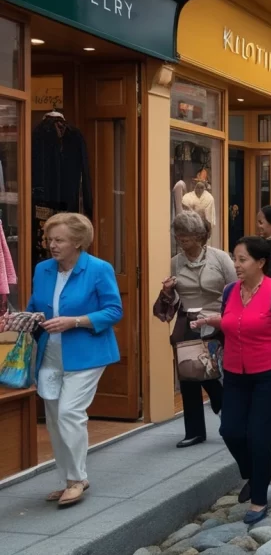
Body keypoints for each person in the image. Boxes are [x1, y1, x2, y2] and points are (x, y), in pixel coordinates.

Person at [191, 236, 271, 525]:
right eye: (234, 258)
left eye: (242, 260)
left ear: (260, 262)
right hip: (236, 373)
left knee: (258, 436)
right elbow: (233, 321)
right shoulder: (230, 291)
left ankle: (258, 499)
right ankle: (254, 475)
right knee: (230, 430)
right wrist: (210, 320)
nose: (236, 265)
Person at [28, 213, 122, 507]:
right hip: (49, 354)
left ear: (78, 242)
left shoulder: (98, 269)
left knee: (69, 412)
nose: (51, 245)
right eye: (49, 239)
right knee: (54, 420)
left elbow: (113, 311)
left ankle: (78, 478)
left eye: (59, 240)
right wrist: (26, 317)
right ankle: (67, 478)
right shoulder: (43, 269)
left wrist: (76, 321)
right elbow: (35, 306)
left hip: (88, 353)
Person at [157, 211, 236, 448]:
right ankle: (194, 431)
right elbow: (170, 300)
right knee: (189, 375)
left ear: (201, 236)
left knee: (213, 374)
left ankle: (229, 417)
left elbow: (234, 290)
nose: (182, 241)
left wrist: (229, 319)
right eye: (179, 236)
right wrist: (168, 291)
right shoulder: (175, 262)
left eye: (187, 236)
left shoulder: (220, 258)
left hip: (217, 322)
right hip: (188, 324)